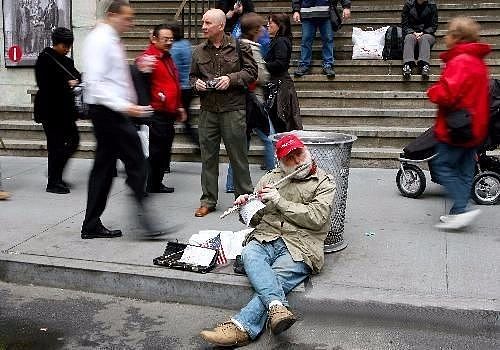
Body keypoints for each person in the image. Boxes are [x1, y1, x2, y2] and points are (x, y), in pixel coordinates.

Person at [200, 134, 336, 347]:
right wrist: (245, 206)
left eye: (299, 153)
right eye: (290, 158)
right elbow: (255, 220)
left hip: (301, 244)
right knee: (249, 254)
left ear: (306, 150)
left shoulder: (325, 181)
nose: (298, 161)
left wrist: (279, 201)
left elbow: (316, 218)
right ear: (280, 163)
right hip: (267, 236)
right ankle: (277, 306)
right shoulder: (270, 179)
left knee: (278, 276)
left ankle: (241, 327)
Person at [81, 0, 158, 239]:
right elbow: (94, 83)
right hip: (107, 112)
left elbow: (113, 77)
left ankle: (91, 224)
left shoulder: (110, 39)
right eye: (127, 18)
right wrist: (125, 107)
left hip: (112, 111)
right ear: (112, 15)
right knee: (136, 160)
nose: (131, 23)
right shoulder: (99, 39)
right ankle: (144, 217)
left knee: (103, 169)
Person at [190, 9, 257, 217]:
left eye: (207, 23)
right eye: (203, 22)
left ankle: (245, 199)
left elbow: (252, 72)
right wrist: (196, 84)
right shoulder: (198, 51)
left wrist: (232, 79)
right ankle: (208, 200)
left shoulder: (239, 46)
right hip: (208, 111)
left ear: (220, 26)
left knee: (238, 157)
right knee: (208, 158)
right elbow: (192, 77)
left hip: (233, 110)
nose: (203, 26)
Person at [428, 17, 491, 230]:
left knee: (442, 166)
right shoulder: (477, 61)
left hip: (457, 126)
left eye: (447, 34)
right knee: (465, 170)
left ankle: (462, 212)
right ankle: (458, 212)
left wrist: (433, 90)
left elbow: (448, 94)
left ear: (457, 37)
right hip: (475, 125)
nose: (445, 38)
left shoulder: (460, 60)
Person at [136, 24, 187, 194]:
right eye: (165, 39)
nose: (169, 42)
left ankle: (155, 183)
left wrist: (179, 106)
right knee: (155, 152)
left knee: (163, 151)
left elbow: (174, 82)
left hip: (169, 112)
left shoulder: (167, 57)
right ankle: (146, 184)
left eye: (171, 39)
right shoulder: (148, 58)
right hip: (156, 113)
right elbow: (141, 77)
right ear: (155, 39)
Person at [225, 12, 272, 193]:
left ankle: (231, 184)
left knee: (240, 145)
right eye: (261, 27)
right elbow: (261, 76)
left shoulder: (235, 46)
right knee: (269, 137)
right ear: (255, 30)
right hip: (253, 101)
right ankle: (273, 176)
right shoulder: (252, 48)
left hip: (240, 101)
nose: (264, 30)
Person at [34, 27, 80, 194]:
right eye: (64, 45)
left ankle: (56, 173)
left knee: (74, 140)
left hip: (66, 111)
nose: (67, 49)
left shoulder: (67, 61)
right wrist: (67, 84)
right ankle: (53, 182)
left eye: (69, 45)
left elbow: (76, 75)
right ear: (56, 43)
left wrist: (79, 79)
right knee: (56, 146)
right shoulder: (44, 59)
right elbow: (44, 85)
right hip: (50, 111)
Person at [292, 0, 351, 78]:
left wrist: (346, 7)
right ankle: (304, 65)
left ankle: (328, 65)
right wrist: (296, 10)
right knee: (306, 40)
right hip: (307, 13)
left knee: (327, 39)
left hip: (326, 13)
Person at [264, 13, 302, 133]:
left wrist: (262, 65)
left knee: (280, 121)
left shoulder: (281, 41)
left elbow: (280, 64)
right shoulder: (278, 40)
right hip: (278, 84)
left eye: (270, 23)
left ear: (279, 25)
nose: (267, 25)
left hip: (280, 86)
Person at [170, 23, 199, 151]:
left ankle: (165, 160)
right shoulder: (186, 44)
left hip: (179, 88)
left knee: (171, 122)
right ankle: (198, 144)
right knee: (186, 120)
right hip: (189, 87)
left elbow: (172, 69)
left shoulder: (174, 48)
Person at [401, 0, 438, 80]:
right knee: (409, 38)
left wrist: (423, 32)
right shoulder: (408, 5)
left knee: (424, 38)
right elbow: (404, 24)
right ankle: (407, 65)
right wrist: (413, 33)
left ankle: (424, 65)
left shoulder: (432, 5)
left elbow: (434, 25)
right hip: (411, 33)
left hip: (427, 34)